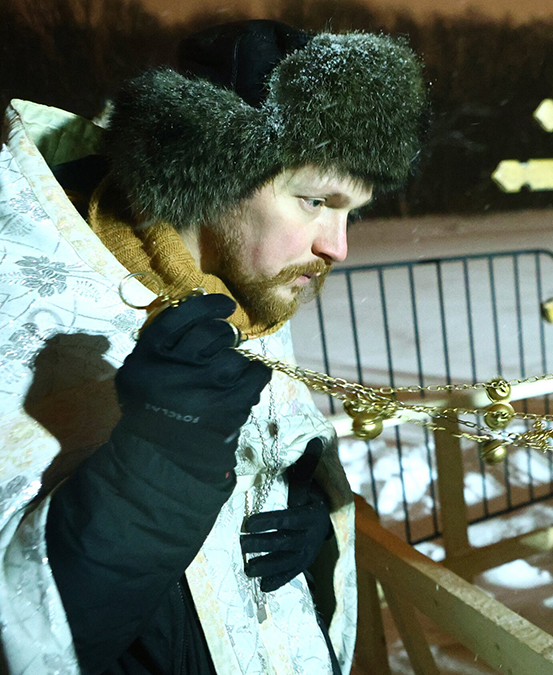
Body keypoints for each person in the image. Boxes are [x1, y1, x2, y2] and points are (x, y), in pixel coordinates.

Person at [0, 20, 425, 674]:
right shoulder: (22, 288)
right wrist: (153, 472)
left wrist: (312, 521)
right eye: (315, 200)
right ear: (212, 167)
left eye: (351, 211)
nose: (338, 246)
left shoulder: (246, 294)